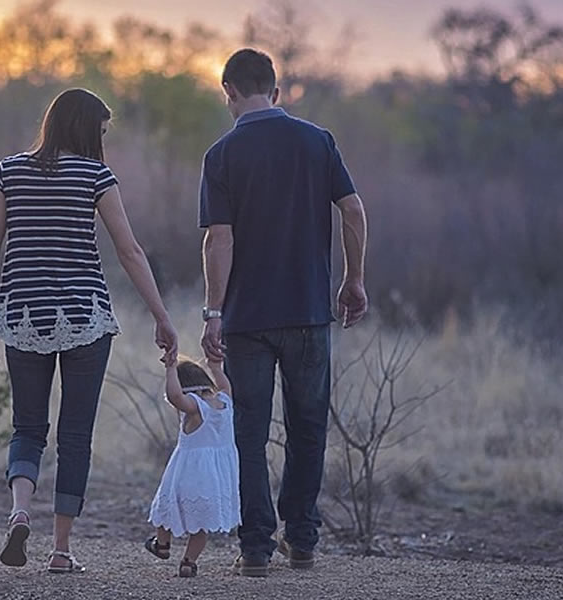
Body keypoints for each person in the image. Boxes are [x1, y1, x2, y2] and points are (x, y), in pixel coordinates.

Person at [0, 88, 178, 574]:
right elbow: (130, 252)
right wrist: (162, 316)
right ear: (87, 129)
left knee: (27, 427)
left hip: (22, 316)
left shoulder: (8, 172)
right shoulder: (96, 176)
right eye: (102, 131)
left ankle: (20, 510)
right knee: (76, 435)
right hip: (85, 316)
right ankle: (61, 551)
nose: (103, 141)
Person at [197, 48, 369, 577]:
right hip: (309, 312)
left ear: (228, 91)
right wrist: (353, 278)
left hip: (247, 319)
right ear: (276, 90)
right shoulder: (318, 142)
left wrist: (213, 311)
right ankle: (303, 539)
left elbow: (218, 240)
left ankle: (255, 549)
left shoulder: (221, 154)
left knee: (248, 432)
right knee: (308, 426)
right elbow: (353, 210)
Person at [143, 355, 240, 578]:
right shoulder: (225, 401)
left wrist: (169, 370)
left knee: (166, 508)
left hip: (188, 473)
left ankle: (162, 544)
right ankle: (189, 562)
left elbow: (176, 396)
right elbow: (225, 384)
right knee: (201, 524)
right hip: (216, 478)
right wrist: (216, 367)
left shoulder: (195, 407)